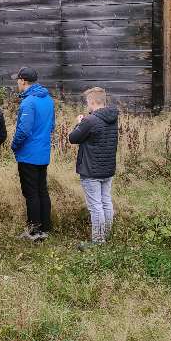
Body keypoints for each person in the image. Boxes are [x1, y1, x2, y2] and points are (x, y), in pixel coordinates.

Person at [68, 87, 119, 248]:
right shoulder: (113, 118)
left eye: (87, 102)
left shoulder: (89, 121)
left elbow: (73, 138)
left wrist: (79, 123)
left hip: (91, 170)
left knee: (95, 206)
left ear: (93, 101)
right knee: (106, 202)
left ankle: (98, 241)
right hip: (107, 167)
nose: (87, 105)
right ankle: (107, 235)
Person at [11, 67, 55, 241]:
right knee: (42, 190)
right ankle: (45, 227)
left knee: (31, 193)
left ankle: (34, 231)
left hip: (29, 154)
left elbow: (24, 129)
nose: (17, 83)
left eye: (18, 80)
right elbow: (52, 126)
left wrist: (14, 145)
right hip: (43, 152)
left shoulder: (29, 101)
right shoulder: (49, 100)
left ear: (23, 81)